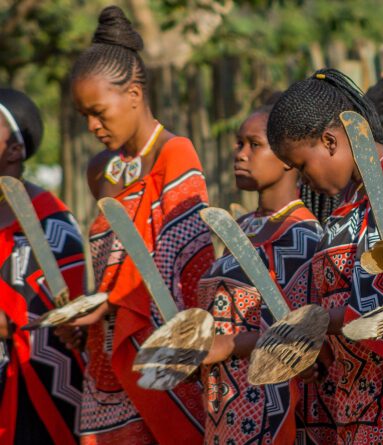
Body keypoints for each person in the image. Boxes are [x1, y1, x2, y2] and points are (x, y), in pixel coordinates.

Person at [61, 6, 214, 444]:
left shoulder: (175, 154)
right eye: (83, 115)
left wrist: (110, 301)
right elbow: (111, 262)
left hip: (156, 356)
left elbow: (188, 259)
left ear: (133, 95)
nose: (92, 126)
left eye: (98, 112)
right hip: (106, 363)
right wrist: (87, 309)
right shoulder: (101, 171)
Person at [267, 68, 383, 445]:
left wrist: (313, 322)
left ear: (330, 141)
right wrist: (319, 346)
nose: (301, 181)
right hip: (357, 404)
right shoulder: (347, 200)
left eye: (301, 166)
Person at [198, 103, 323, 444]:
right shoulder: (243, 227)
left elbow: (301, 334)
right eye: (239, 144)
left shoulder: (302, 235)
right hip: (224, 406)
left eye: (254, 145)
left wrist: (227, 345)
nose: (240, 154)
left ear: (286, 156)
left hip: (270, 408)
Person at [0, 88, 85, 445]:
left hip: (32, 401)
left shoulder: (52, 223)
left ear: (15, 150)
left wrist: (12, 324)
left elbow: (71, 324)